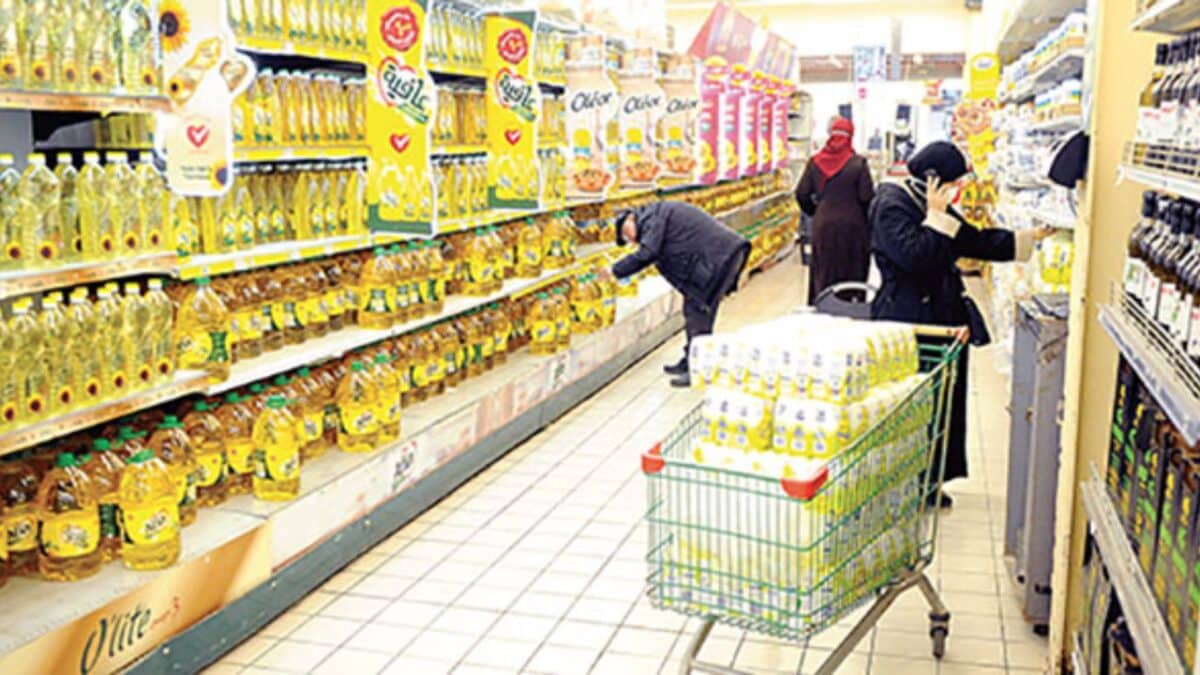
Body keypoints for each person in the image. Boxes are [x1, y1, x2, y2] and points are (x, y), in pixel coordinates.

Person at [869, 141, 1052, 507]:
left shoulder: (932, 202)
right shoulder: (891, 204)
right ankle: (905, 482)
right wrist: (935, 215)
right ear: (934, 180)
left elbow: (971, 240)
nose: (959, 189)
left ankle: (930, 481)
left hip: (943, 317)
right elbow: (915, 256)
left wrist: (1028, 239)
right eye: (955, 182)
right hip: (909, 321)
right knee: (913, 405)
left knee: (942, 402)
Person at [611, 201, 751, 388]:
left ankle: (699, 369)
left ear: (630, 218)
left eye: (625, 233)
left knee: (698, 312)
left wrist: (614, 270)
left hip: (718, 258)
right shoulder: (655, 217)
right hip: (719, 257)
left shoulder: (653, 217)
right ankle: (691, 360)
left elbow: (648, 253)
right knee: (694, 309)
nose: (629, 239)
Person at [794, 116, 875, 304]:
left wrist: (816, 211)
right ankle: (852, 307)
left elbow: (801, 194)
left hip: (824, 226)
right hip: (854, 228)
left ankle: (822, 306)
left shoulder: (815, 162)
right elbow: (867, 198)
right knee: (853, 271)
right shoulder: (858, 163)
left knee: (824, 270)